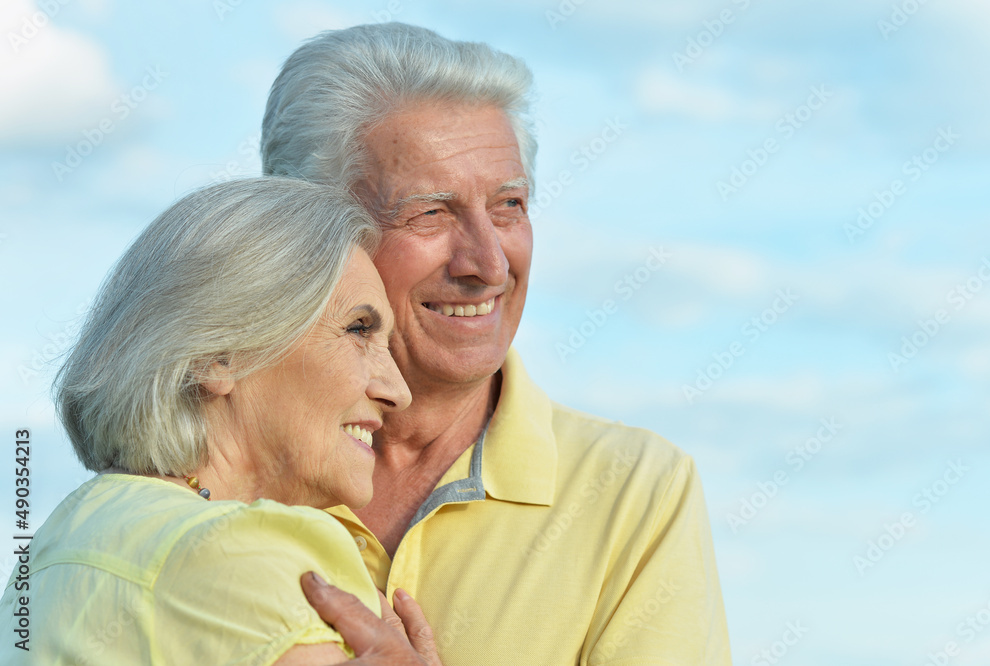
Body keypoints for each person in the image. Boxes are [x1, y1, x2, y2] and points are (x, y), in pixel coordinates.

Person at [262, 23, 733, 664]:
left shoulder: (636, 491)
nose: (488, 263)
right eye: (430, 212)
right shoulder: (208, 465)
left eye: (509, 205)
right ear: (304, 233)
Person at [0, 178, 439, 664]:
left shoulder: (53, 548)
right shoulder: (242, 551)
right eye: (359, 329)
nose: (398, 391)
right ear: (219, 355)